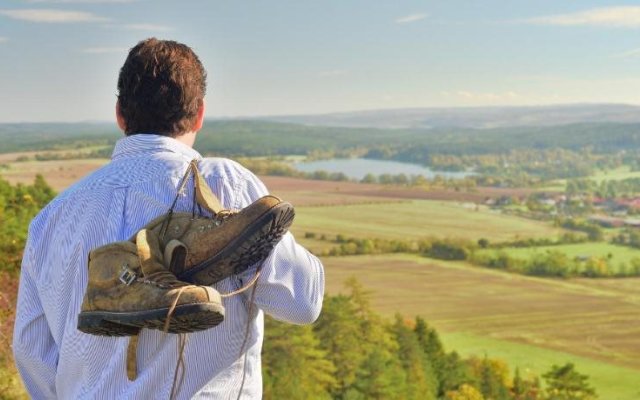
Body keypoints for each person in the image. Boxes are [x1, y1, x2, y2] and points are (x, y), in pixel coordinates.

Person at [13, 37, 325, 399]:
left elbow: (32, 352)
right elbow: (303, 302)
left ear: (120, 114)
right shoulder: (223, 182)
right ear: (199, 114)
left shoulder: (52, 219)